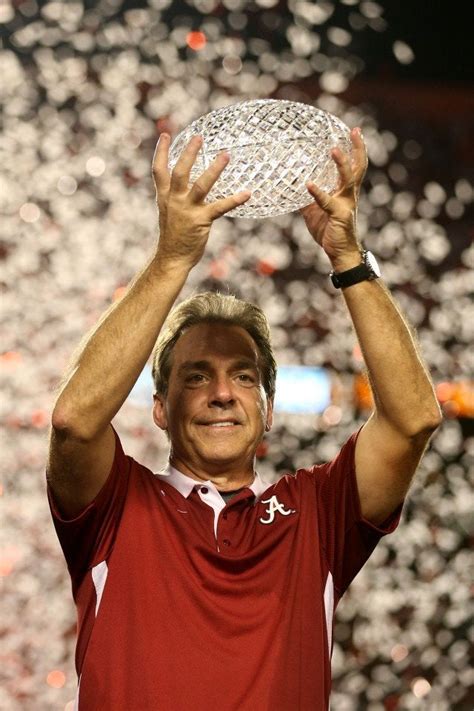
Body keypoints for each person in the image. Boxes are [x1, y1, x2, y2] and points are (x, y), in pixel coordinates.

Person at [47, 128, 442, 710]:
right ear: (159, 407)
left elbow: (413, 420)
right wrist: (173, 258)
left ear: (268, 410)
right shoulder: (116, 505)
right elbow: (75, 422)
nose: (223, 394)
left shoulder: (317, 513)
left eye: (245, 376)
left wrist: (349, 260)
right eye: (196, 376)